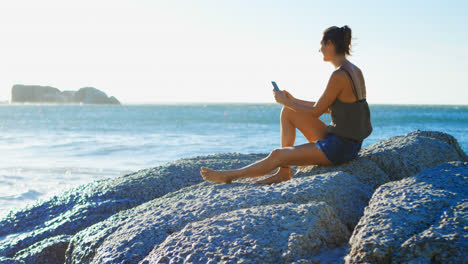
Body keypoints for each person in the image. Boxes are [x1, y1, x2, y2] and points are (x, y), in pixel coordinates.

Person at [200, 25, 372, 184]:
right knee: (288, 111)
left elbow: (316, 112)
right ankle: (284, 172)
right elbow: (328, 107)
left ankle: (229, 176)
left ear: (330, 44)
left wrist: (287, 101)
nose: (319, 49)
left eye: (322, 45)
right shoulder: (354, 70)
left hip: (339, 148)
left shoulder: (339, 75)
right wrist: (292, 101)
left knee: (277, 154)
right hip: (348, 143)